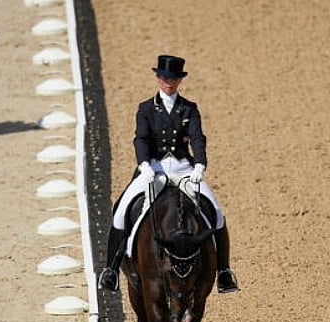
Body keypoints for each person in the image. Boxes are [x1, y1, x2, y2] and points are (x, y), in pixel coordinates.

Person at [98, 54, 239, 294]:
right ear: (157, 77)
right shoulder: (145, 109)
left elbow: (197, 138)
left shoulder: (189, 108)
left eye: (173, 78)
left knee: (216, 213)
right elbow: (141, 138)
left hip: (184, 169)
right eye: (164, 77)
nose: (168, 82)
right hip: (154, 169)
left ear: (179, 80)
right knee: (121, 210)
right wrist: (143, 164)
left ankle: (224, 271)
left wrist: (200, 165)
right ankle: (110, 270)